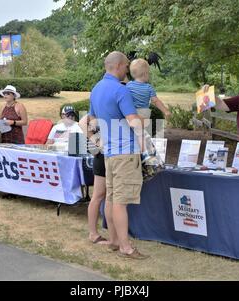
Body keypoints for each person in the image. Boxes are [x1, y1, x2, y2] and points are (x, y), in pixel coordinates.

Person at [88, 51, 149, 259]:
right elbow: (132, 120)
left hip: (109, 154)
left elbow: (91, 121)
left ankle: (114, 240)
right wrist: (143, 125)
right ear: (119, 66)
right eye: (126, 67)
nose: (127, 71)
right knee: (120, 202)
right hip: (125, 153)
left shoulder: (96, 89)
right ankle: (125, 247)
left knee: (112, 199)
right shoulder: (120, 90)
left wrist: (97, 141)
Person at [78, 114, 109, 245]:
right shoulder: (98, 107)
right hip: (102, 156)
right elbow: (82, 122)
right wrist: (96, 141)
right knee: (98, 195)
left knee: (106, 196)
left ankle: (107, 232)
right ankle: (93, 233)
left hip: (108, 155)